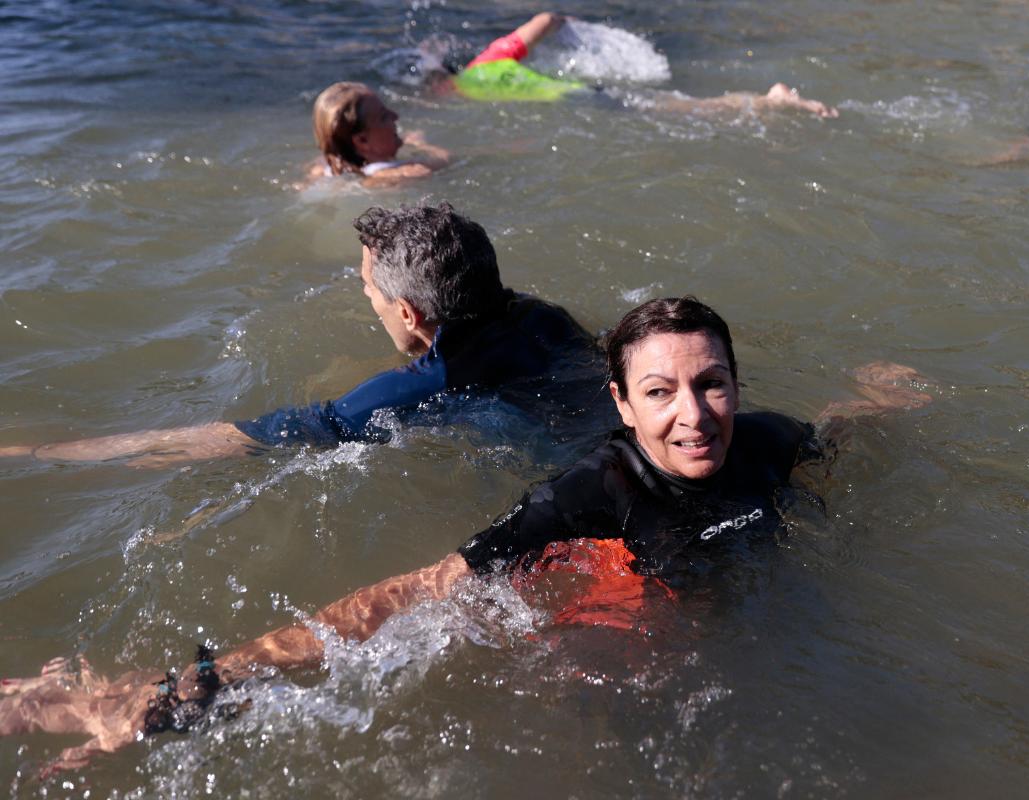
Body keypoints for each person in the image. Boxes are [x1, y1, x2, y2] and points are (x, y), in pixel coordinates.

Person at [0, 297, 931, 773]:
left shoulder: (766, 440)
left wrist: (881, 404)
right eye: (660, 392)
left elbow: (830, 437)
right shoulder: (586, 493)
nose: (695, 415)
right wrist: (207, 681)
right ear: (620, 403)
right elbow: (418, 589)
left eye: (712, 382)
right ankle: (131, 699)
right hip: (627, 618)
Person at [0, 204, 598, 467]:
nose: (367, 299)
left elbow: (242, 439)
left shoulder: (415, 389)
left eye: (370, 290)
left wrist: (46, 454)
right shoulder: (545, 318)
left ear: (410, 313)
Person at [441, 12, 838, 116]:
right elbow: (546, 19)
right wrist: (572, 25)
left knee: (688, 110)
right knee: (680, 105)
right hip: (582, 93)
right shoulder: (489, 60)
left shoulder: (470, 89)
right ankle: (765, 99)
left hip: (581, 100)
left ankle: (770, 101)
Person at [308, 82, 452, 186]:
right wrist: (421, 145)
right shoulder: (403, 173)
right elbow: (446, 159)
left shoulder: (321, 170)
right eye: (384, 117)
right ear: (362, 140)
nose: (395, 116)